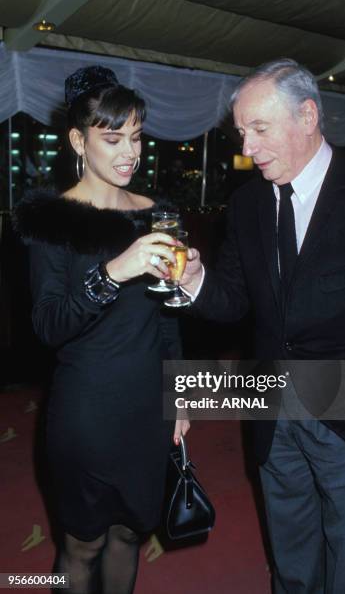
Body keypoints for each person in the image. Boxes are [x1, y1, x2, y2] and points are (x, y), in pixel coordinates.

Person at [181, 58, 345, 593]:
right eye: (242, 132)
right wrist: (195, 282)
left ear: (308, 116)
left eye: (260, 129)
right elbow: (233, 302)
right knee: (290, 554)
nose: (248, 147)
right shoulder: (244, 206)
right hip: (269, 405)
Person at [13, 65, 189, 594]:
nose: (129, 152)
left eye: (135, 136)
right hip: (85, 413)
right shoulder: (51, 220)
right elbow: (48, 326)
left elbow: (168, 318)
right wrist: (115, 270)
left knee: (130, 535)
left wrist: (181, 399)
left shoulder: (159, 213)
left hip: (146, 408)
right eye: (112, 138)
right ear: (77, 140)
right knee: (83, 544)